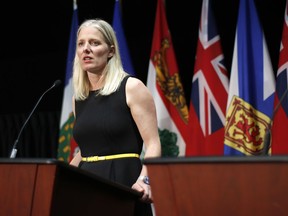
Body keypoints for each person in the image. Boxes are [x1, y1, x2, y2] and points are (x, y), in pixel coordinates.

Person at [69, 18, 161, 216]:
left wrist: (145, 180)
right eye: (81, 44)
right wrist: (62, 176)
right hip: (87, 185)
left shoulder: (131, 87)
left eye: (94, 43)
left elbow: (153, 143)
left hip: (123, 181)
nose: (86, 49)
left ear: (110, 51)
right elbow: (87, 149)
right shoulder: (79, 98)